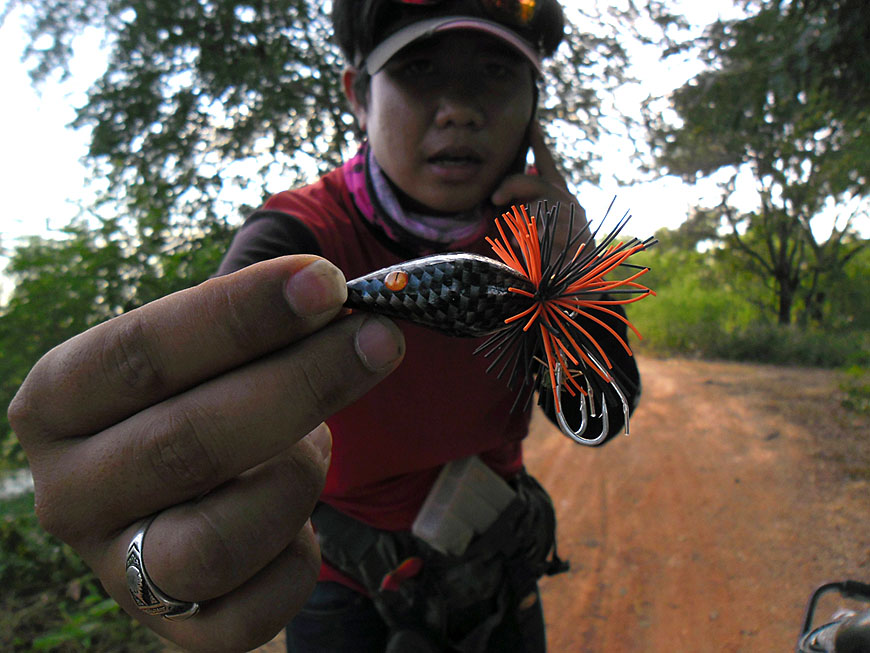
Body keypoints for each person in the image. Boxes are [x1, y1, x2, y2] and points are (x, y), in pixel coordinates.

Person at [8, 1, 640, 651]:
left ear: (534, 108)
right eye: (419, 68)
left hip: (496, 564)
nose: (460, 108)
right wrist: (150, 554)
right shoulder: (295, 238)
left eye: (496, 72)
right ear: (358, 97)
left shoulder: (545, 243)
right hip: (345, 589)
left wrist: (577, 284)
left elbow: (596, 420)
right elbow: (191, 430)